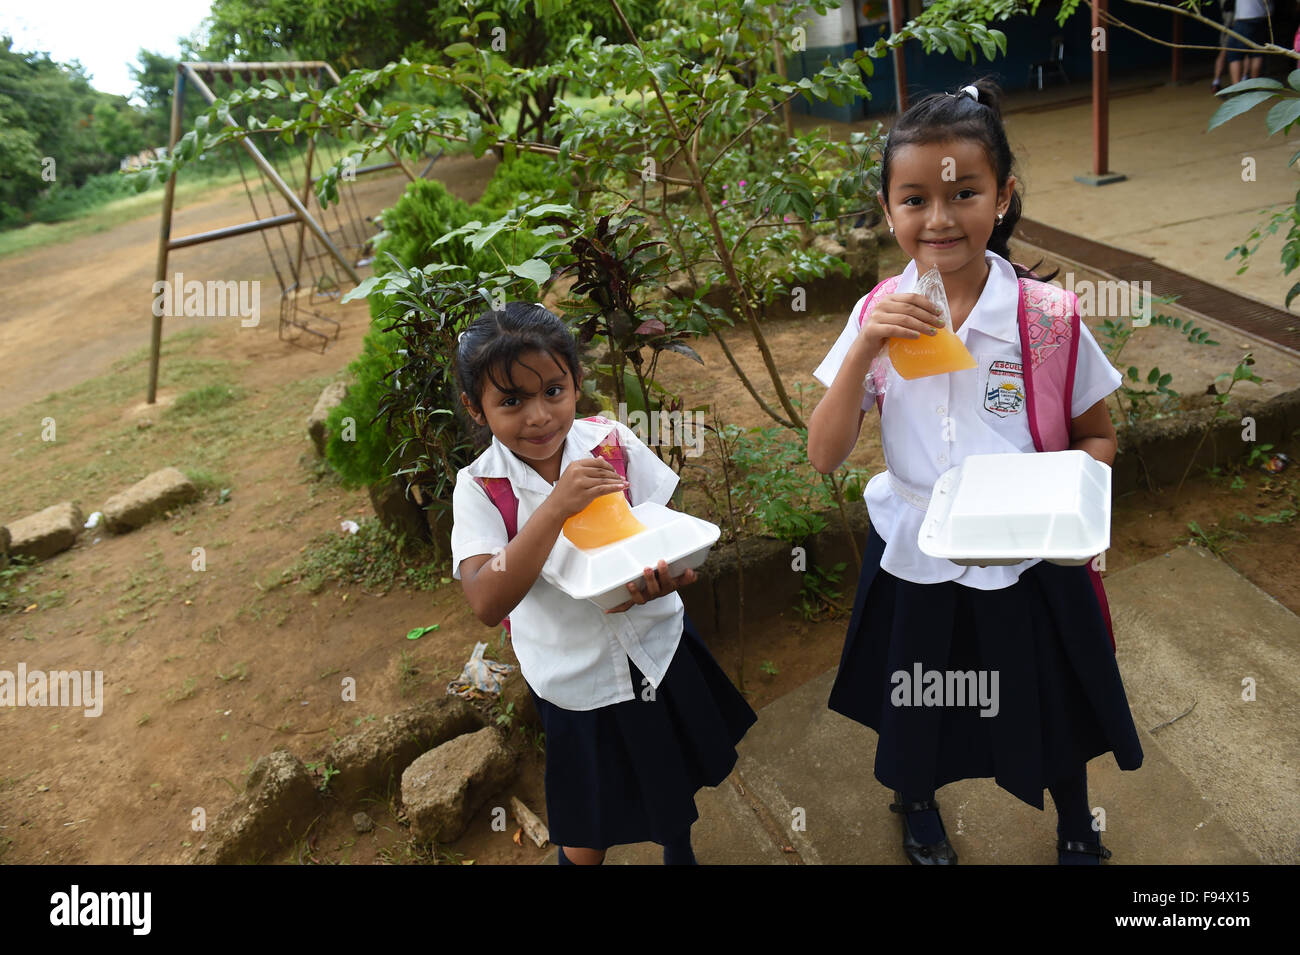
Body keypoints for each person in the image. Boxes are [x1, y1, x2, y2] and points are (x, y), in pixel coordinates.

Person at [806, 79, 1144, 866]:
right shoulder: (875, 315)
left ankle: (1072, 818)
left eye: (964, 193)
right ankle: (916, 803)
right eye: (915, 198)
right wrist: (865, 348)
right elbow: (824, 455)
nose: (939, 218)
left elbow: (1098, 437)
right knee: (921, 701)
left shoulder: (1047, 320)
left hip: (1029, 558)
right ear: (888, 209)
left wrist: (1067, 507)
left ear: (1003, 196)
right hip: (918, 555)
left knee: (1050, 698)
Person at [450, 301, 757, 866]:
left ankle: (678, 852)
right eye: (511, 401)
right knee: (588, 822)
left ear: (576, 382)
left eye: (553, 391)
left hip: (658, 649)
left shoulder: (609, 443)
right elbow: (486, 600)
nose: (539, 415)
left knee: (672, 776)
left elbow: (657, 527)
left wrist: (671, 575)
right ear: (476, 407)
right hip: (578, 682)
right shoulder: (481, 490)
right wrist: (554, 508)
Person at [1227, 0, 1273, 83]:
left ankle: (1237, 87)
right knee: (1257, 52)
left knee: (1234, 54)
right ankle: (1254, 84)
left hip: (1244, 19)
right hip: (1261, 18)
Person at [1212, 0, 1236, 92]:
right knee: (1225, 52)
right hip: (1231, 25)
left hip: (1231, 25)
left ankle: (1216, 82)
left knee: (1225, 52)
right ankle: (1216, 82)